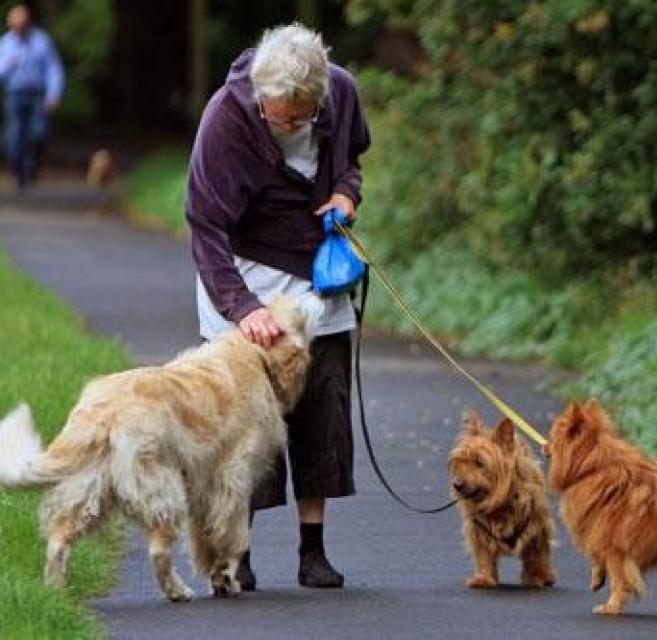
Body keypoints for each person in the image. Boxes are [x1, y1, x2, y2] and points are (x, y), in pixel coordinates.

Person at [185, 22, 370, 589]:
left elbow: (351, 160)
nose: (286, 124)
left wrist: (346, 193)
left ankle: (313, 550)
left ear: (319, 97)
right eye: (278, 115)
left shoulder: (339, 90)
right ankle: (237, 551)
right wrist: (243, 308)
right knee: (245, 424)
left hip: (318, 276)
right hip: (245, 273)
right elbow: (206, 225)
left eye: (298, 117)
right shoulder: (227, 117)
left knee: (323, 402)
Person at [0, 4, 63, 190]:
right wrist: (8, 64)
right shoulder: (6, 43)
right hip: (14, 94)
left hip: (37, 95)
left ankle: (31, 168)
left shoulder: (41, 41)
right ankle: (18, 172)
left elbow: (54, 69)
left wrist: (53, 94)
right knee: (14, 135)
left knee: (37, 133)